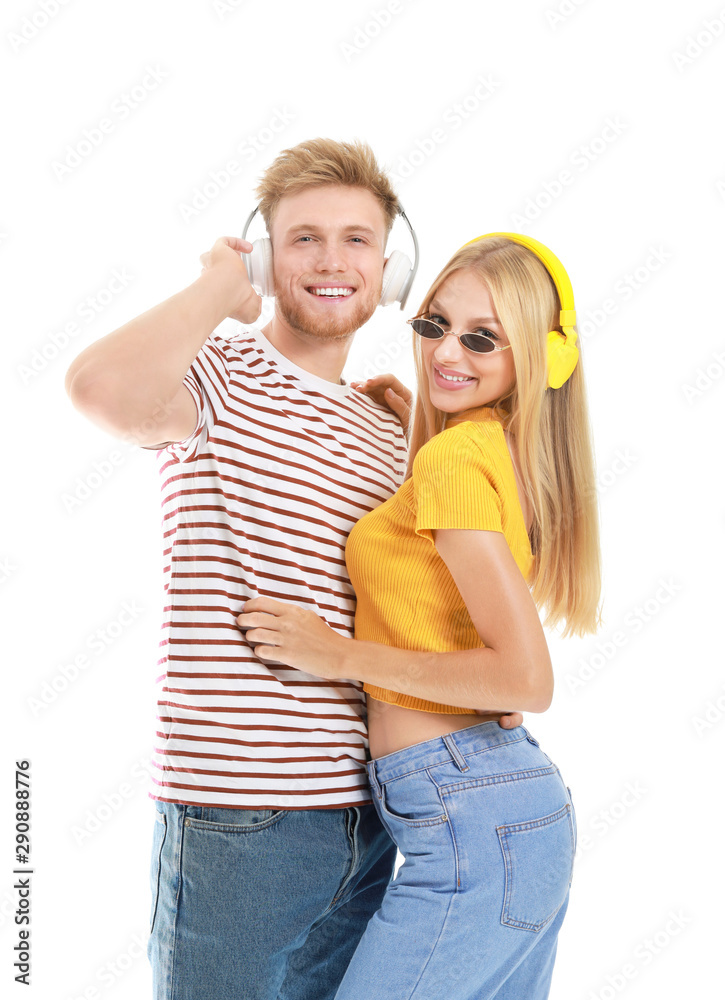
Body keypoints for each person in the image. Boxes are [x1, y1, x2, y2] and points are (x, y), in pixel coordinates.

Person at [63, 139, 523, 1000]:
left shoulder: (389, 428)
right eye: (302, 237)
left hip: (378, 813)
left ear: (388, 270)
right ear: (266, 255)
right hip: (241, 819)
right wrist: (213, 289)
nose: (330, 260)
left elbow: (428, 606)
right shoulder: (216, 372)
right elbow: (99, 390)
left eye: (355, 240)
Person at [238, 232, 602, 999]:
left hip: (469, 820)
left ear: (542, 359)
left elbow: (523, 678)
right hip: (501, 814)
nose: (446, 354)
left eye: (481, 340)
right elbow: (441, 603)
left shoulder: (453, 461)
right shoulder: (497, 450)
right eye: (434, 325)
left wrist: (334, 656)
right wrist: (416, 441)